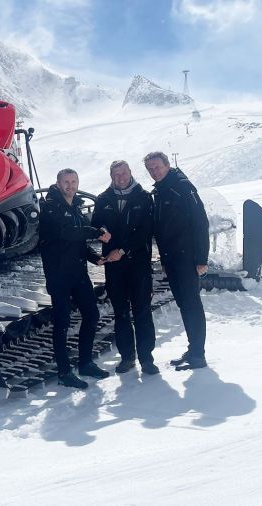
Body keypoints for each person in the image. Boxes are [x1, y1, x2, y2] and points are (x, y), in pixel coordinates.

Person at [39, 168, 112, 389]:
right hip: (58, 274)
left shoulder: (76, 207)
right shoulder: (50, 207)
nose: (70, 186)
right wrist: (96, 232)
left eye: (73, 181)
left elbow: (78, 243)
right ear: (58, 183)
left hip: (78, 272)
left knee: (92, 314)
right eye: (66, 182)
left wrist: (95, 258)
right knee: (62, 323)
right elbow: (67, 233)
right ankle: (64, 372)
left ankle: (85, 362)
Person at [91, 160, 158, 375]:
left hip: (138, 263)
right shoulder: (103, 199)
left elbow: (145, 231)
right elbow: (96, 223)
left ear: (130, 173)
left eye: (124, 173)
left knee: (142, 311)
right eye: (116, 174)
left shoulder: (144, 197)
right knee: (120, 312)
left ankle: (147, 358)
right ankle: (127, 356)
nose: (121, 177)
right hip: (114, 267)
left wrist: (122, 250)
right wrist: (100, 230)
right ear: (111, 175)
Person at [144, 152, 210, 370]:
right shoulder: (161, 191)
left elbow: (200, 223)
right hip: (172, 258)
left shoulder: (183, 188)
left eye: (157, 167)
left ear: (167, 165)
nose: (154, 171)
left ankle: (198, 355)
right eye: (150, 169)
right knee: (183, 303)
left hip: (188, 257)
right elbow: (162, 230)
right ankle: (193, 350)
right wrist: (163, 258)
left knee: (191, 303)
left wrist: (201, 258)